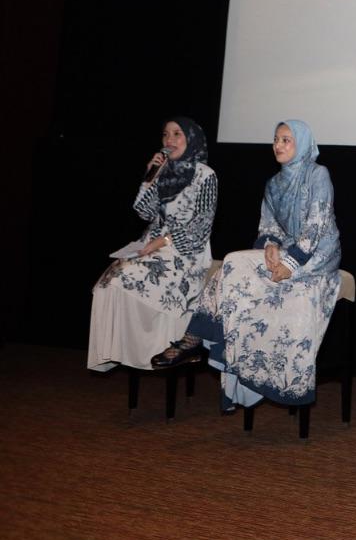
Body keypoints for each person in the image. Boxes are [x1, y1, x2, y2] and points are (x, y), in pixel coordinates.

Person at [152, 120, 342, 412]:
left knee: (255, 278)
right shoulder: (274, 183)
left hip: (317, 256)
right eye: (276, 139)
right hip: (287, 251)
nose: (278, 145)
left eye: (286, 140)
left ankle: (197, 342)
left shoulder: (318, 174)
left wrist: (290, 263)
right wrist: (270, 246)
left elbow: (316, 225)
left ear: (302, 143)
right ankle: (194, 339)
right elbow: (268, 226)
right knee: (231, 263)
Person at [87, 117, 217, 371]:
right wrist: (151, 176)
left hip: (186, 248)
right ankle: (122, 350)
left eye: (177, 134)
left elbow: (201, 225)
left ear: (191, 139)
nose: (169, 140)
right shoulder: (163, 171)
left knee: (126, 276)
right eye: (166, 134)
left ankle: (159, 347)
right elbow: (143, 211)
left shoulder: (205, 174)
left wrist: (164, 241)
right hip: (152, 244)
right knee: (108, 282)